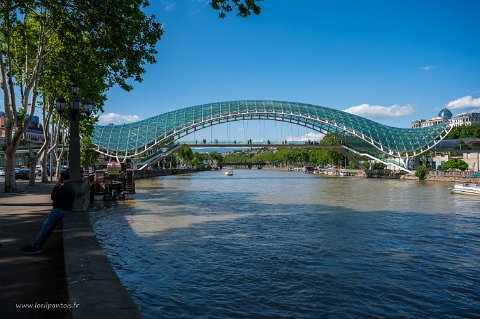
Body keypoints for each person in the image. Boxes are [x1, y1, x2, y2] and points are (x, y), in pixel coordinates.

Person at [19, 171, 76, 255]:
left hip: (59, 209)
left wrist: (56, 187)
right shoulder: (72, 185)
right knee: (48, 227)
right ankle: (37, 244)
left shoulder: (64, 187)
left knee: (46, 227)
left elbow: (53, 197)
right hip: (67, 209)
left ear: (61, 178)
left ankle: (36, 245)